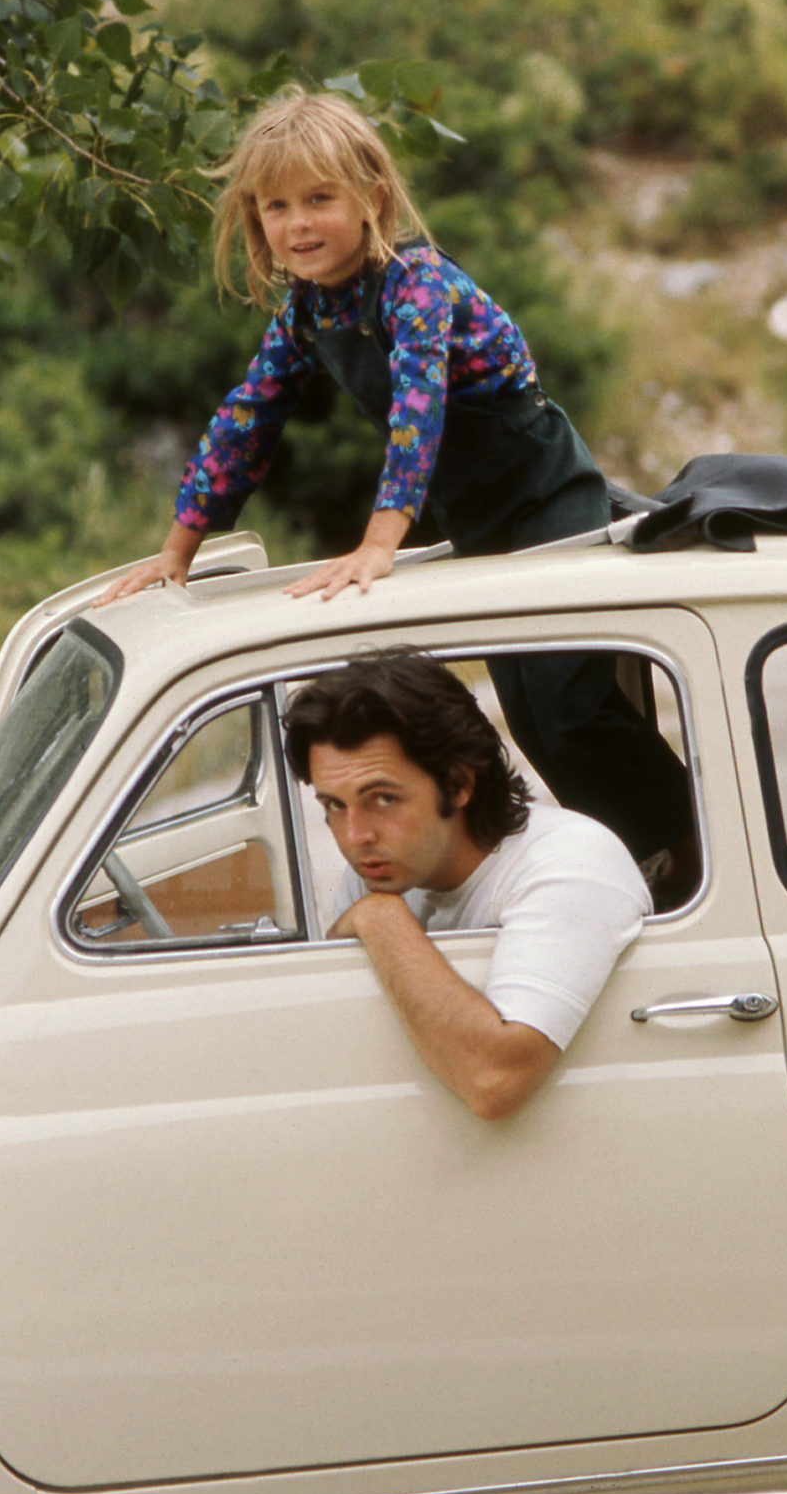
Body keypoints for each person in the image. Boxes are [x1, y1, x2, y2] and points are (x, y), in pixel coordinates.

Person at [96, 84, 694, 881]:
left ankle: (694, 844)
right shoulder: (307, 312)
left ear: (372, 198)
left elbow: (420, 407)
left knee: (568, 703)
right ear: (256, 221)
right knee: (526, 713)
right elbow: (246, 421)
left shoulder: (413, 282)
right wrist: (178, 551)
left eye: (319, 198)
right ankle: (637, 862)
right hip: (479, 516)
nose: (298, 224)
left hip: (548, 493)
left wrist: (382, 542)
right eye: (276, 207)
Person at [282, 652, 651, 1122]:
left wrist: (381, 918)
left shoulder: (571, 860)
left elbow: (494, 1081)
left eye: (383, 798)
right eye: (334, 805)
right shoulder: (381, 867)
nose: (355, 836)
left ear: (458, 785)